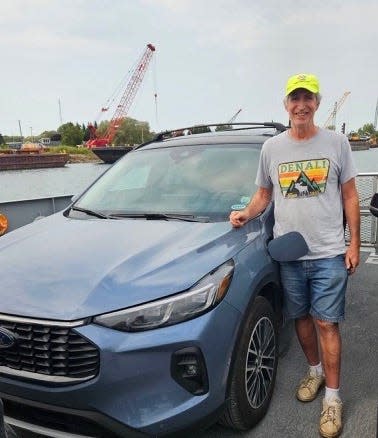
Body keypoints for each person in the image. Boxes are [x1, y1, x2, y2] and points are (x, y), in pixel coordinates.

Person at [230, 73, 360, 438]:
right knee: (301, 318)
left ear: (317, 103)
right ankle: (314, 371)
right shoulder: (272, 149)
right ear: (285, 105)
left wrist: (353, 244)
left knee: (326, 323)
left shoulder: (337, 143)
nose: (301, 104)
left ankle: (332, 398)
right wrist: (245, 213)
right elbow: (263, 196)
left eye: (308, 98)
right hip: (290, 253)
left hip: (330, 251)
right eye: (294, 98)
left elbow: (351, 195)